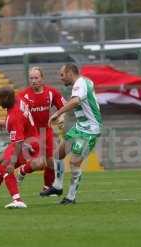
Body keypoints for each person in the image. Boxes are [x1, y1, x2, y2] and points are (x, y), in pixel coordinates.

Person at [0, 86, 45, 209]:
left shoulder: (15, 117)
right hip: (28, 139)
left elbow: (18, 142)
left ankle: (17, 200)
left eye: (0, 99)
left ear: (6, 98)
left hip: (26, 145)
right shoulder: (17, 99)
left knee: (5, 166)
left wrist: (12, 164)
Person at [45, 63, 103, 204]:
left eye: (62, 75)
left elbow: (75, 101)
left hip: (90, 129)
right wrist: (63, 116)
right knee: (58, 154)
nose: (61, 78)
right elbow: (76, 103)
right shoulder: (83, 82)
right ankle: (57, 186)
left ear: (70, 73)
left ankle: (71, 197)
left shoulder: (80, 83)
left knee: (74, 163)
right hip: (80, 126)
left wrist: (58, 113)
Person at [16, 66, 66, 194]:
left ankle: (47, 188)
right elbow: (17, 115)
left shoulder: (51, 92)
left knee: (51, 162)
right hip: (31, 133)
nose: (33, 81)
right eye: (31, 78)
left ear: (42, 78)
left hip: (46, 131)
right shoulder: (23, 96)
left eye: (36, 78)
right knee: (39, 164)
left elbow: (64, 107)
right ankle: (22, 171)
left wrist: (61, 117)